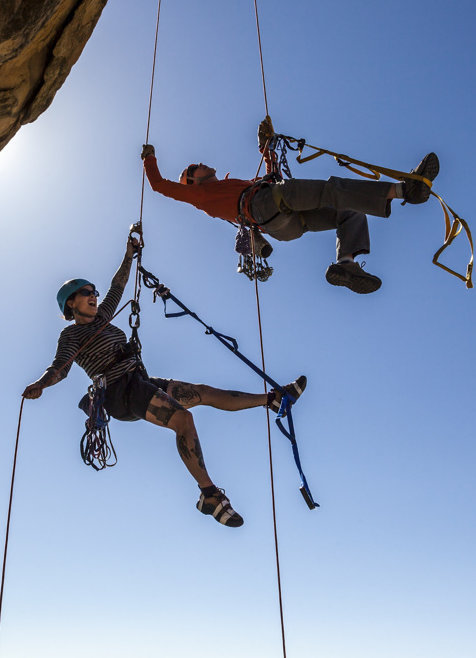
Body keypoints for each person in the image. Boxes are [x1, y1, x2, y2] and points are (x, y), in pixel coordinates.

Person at [24, 226, 305, 528]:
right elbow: (60, 367)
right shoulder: (72, 335)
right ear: (71, 303)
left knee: (203, 391)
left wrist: (129, 255)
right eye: (86, 293)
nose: (95, 295)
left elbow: (117, 285)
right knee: (183, 420)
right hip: (121, 392)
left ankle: (273, 400)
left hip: (140, 380)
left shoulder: (104, 315)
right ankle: (209, 495)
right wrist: (41, 383)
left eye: (94, 291)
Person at [141, 143, 439, 294]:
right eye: (195, 167)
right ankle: (404, 190)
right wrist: (149, 159)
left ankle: (346, 265)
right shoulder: (202, 196)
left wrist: (266, 148)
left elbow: (272, 177)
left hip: (282, 223)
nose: (201, 162)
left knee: (349, 210)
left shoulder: (228, 186)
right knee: (331, 191)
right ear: (192, 182)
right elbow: (159, 186)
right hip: (265, 204)